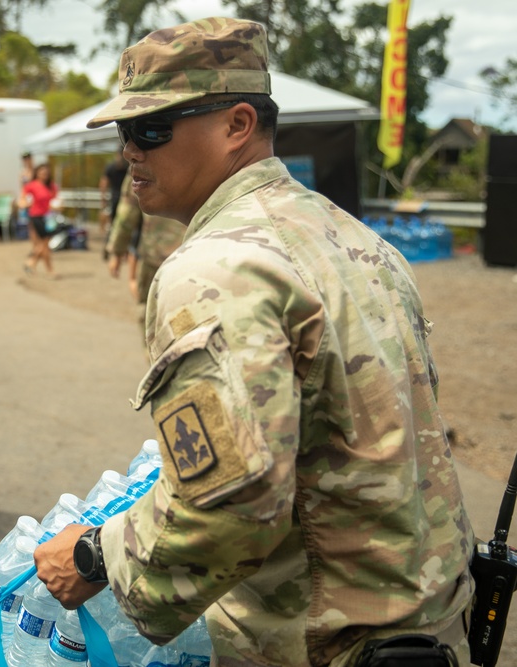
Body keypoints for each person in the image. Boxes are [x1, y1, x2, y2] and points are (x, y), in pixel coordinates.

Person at [34, 17, 474, 667]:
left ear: (239, 125)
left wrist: (93, 554)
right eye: (124, 131)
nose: (130, 150)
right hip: (431, 624)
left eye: (151, 128)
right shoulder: (359, 240)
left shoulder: (213, 269)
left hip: (321, 641)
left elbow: (230, 503)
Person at [105, 176, 183, 334]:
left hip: (156, 256)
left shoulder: (144, 155)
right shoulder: (208, 153)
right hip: (200, 250)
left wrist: (117, 251)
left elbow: (127, 213)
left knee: (153, 317)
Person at [20, 162, 59, 278]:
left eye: (46, 172)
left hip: (48, 217)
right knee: (44, 244)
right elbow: (22, 200)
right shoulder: (31, 185)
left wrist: (57, 206)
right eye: (42, 171)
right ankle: (48, 269)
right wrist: (24, 204)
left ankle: (31, 263)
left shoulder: (51, 186)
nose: (44, 174)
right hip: (36, 216)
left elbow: (56, 200)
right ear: (37, 173)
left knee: (44, 244)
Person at [98, 153, 129, 246]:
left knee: (117, 223)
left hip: (123, 199)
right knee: (116, 223)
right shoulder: (120, 167)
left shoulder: (124, 167)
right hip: (120, 199)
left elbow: (103, 183)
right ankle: (111, 244)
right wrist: (103, 199)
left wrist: (103, 199)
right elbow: (104, 183)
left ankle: (112, 244)